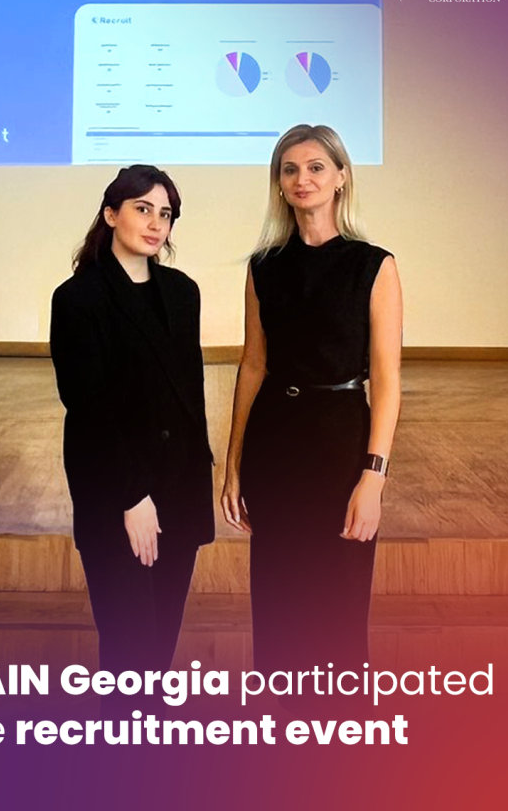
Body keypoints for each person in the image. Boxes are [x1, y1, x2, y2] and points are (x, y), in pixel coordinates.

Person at [221, 125, 402, 685]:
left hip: (340, 443)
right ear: (279, 183)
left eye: (317, 167)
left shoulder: (374, 266)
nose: (303, 179)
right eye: (290, 169)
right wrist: (233, 464)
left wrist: (373, 478)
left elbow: (387, 381)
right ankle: (287, 722)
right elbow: (253, 365)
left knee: (338, 603)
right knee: (278, 602)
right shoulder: (263, 266)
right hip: (275, 442)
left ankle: (338, 723)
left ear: (341, 177)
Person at [50, 165, 214, 710]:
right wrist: (132, 495)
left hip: (178, 488)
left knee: (159, 649)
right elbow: (88, 407)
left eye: (165, 214)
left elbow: (189, 397)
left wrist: (198, 481)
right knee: (128, 651)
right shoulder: (78, 298)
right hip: (117, 494)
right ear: (110, 214)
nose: (155, 223)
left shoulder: (182, 292)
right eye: (143, 209)